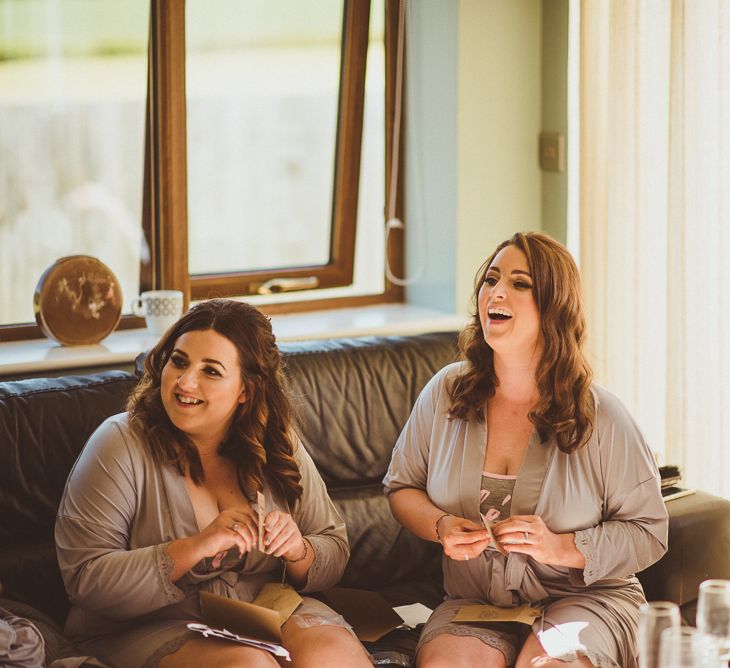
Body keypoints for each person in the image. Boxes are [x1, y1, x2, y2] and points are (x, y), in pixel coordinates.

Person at [383, 232, 668, 668]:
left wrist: (561, 546)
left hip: (585, 601)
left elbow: (649, 532)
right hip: (475, 601)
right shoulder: (445, 393)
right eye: (491, 279)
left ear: (554, 307)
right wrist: (441, 526)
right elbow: (402, 487)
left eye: (520, 283)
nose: (496, 292)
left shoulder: (602, 416)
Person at [56, 299, 372, 668]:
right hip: (150, 624)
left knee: (332, 658)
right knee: (248, 665)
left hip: (264, 609)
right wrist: (195, 547)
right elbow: (85, 579)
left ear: (246, 390)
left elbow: (333, 548)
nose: (185, 381)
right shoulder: (118, 442)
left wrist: (298, 550)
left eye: (211, 370)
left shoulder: (276, 440)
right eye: (179, 361)